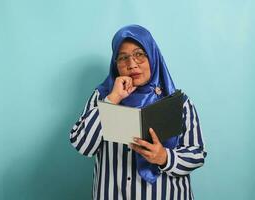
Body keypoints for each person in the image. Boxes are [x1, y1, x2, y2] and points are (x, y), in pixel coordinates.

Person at [70, 24, 207, 200]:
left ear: (152, 56)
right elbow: (82, 145)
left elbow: (197, 154)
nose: (131, 64)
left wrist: (164, 157)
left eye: (139, 55)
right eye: (122, 57)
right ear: (115, 64)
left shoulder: (178, 102)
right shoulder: (103, 96)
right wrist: (112, 100)